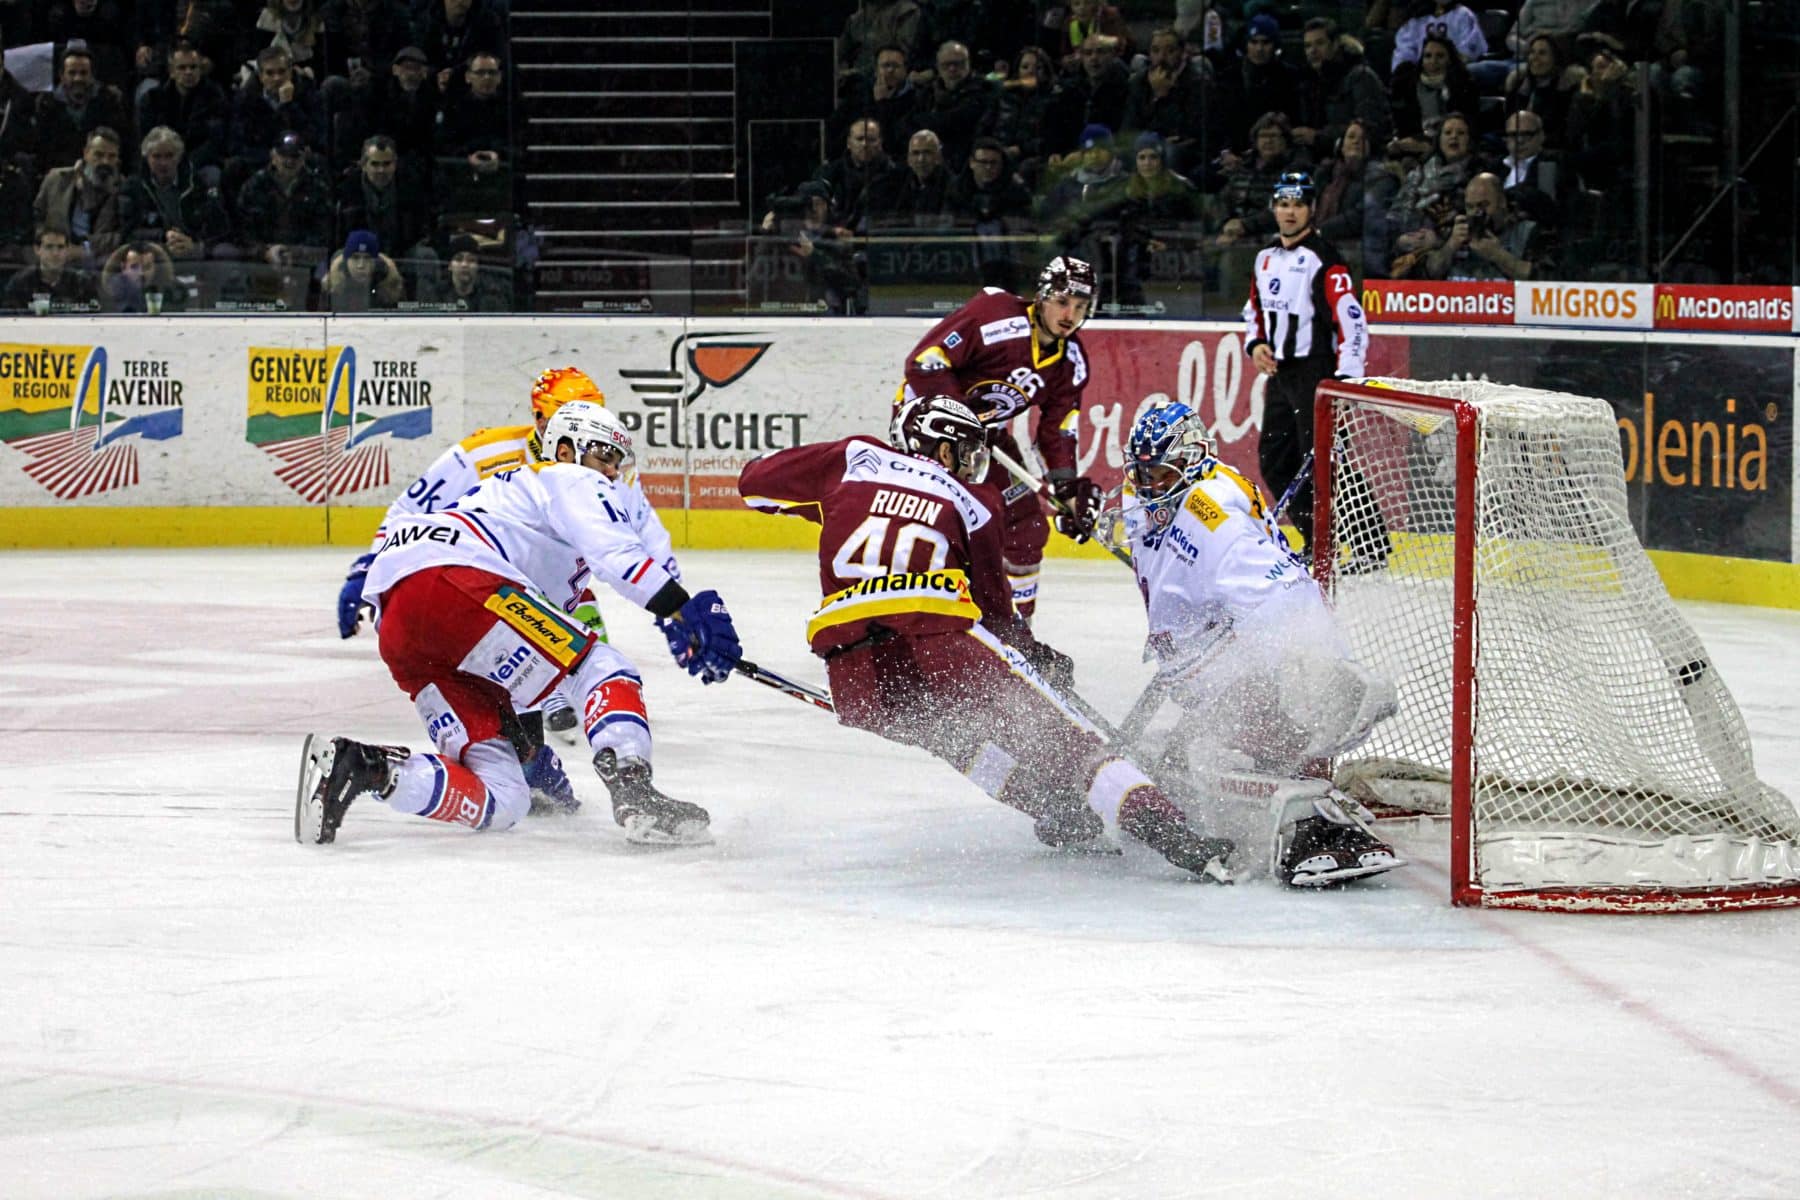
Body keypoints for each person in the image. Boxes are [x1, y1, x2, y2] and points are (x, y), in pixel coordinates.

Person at [737, 393, 1233, 881]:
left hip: (850, 665)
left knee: (959, 742)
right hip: (937, 631)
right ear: (943, 447)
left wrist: (833, 499)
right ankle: (1172, 831)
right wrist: (1036, 657)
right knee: (1070, 740)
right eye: (966, 451)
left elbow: (753, 483)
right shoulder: (972, 501)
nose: (971, 464)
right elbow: (995, 617)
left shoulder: (853, 458)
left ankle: (1057, 810)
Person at [298, 401, 744, 847]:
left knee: (505, 798)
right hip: (455, 578)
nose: (611, 473)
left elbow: (519, 656)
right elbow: (618, 558)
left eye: (616, 462)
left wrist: (530, 751)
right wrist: (683, 609)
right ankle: (635, 791)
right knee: (602, 667)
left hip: (403, 622)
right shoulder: (567, 477)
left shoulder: (516, 509)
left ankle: (367, 769)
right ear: (565, 450)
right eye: (604, 457)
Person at [1110, 401, 1403, 885]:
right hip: (1194, 661)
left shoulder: (1211, 520)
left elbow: (1287, 596)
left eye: (1160, 475)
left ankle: (1318, 822)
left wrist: (1321, 670)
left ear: (1194, 460)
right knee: (1195, 755)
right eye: (1141, 474)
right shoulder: (1147, 495)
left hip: (1229, 663)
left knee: (1267, 734)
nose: (1148, 488)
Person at [335, 366, 621, 771]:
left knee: (577, 611)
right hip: (472, 593)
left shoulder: (601, 468)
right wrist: (365, 570)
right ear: (540, 417)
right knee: (502, 692)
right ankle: (529, 740)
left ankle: (555, 709)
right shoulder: (485, 452)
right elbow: (410, 508)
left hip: (536, 595)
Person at [898, 255, 1101, 619]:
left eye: (1080, 306)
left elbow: (1056, 430)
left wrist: (1066, 488)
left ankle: (1016, 631)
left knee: (1027, 526)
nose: (1070, 314)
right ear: (1043, 296)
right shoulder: (995, 315)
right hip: (927, 433)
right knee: (936, 525)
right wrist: (960, 413)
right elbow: (925, 362)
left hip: (983, 441)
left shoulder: (1071, 363)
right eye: (1062, 301)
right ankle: (913, 621)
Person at [1242, 170, 1387, 568]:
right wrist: (1256, 344)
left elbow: (1352, 321)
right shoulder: (1265, 257)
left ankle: (1371, 547)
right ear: (1273, 208)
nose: (1290, 212)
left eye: (1298, 204)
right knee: (1275, 460)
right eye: (1283, 204)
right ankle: (1319, 541)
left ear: (1311, 209)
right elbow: (1254, 310)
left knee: (1327, 461)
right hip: (1281, 375)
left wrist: (1345, 379)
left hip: (1318, 374)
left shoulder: (1325, 259)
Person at [3, 227, 100, 312]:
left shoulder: (82, 282)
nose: (55, 253)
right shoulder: (20, 283)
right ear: (37, 249)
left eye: (60, 247)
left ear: (67, 250)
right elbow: (10, 319)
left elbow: (94, 318)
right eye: (49, 247)